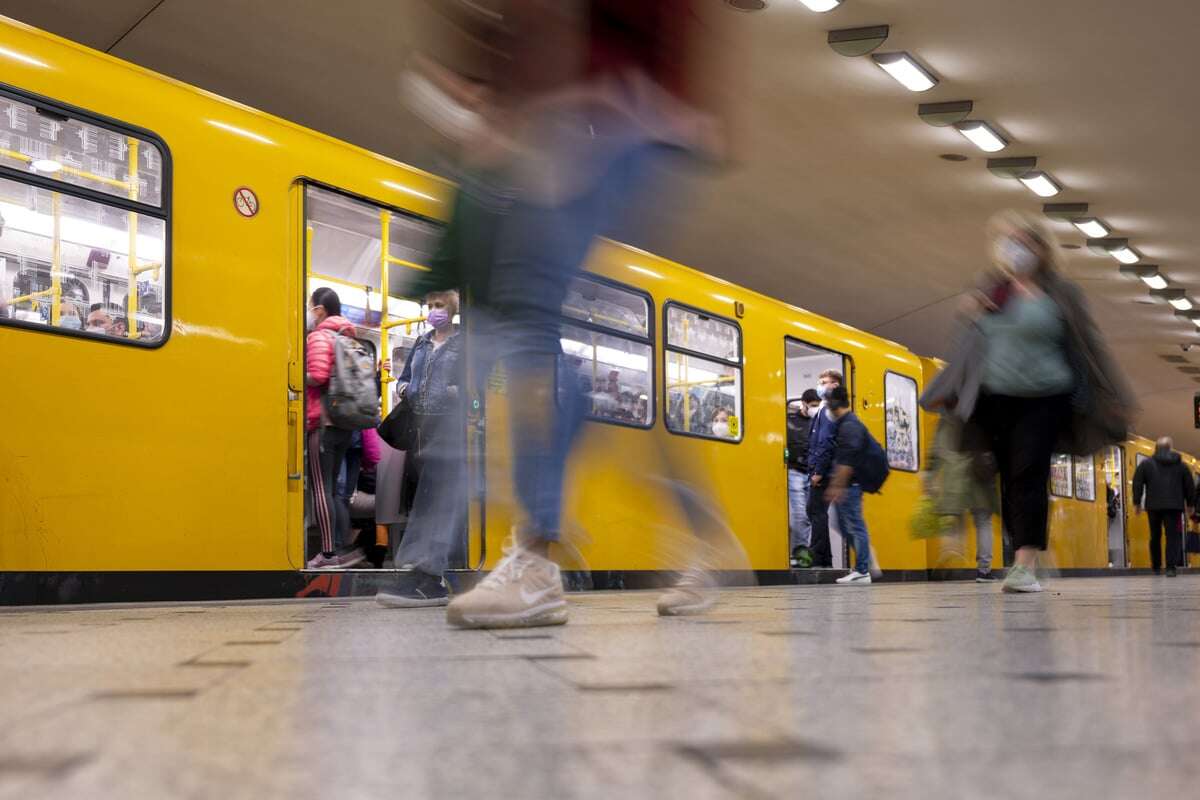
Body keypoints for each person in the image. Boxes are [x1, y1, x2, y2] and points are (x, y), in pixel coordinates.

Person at [410, 0, 736, 628]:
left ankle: (536, 559)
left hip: (609, 119)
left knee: (528, 308)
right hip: (588, 119)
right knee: (551, 353)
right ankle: (693, 533)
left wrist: (532, 106)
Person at [921, 209, 1134, 594]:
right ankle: (1026, 548)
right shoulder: (991, 290)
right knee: (1005, 476)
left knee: (1029, 474)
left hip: (1045, 396)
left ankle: (1023, 564)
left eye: (1022, 241)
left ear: (1040, 247)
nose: (1014, 248)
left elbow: (1090, 344)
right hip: (994, 398)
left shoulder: (1062, 294)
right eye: (1008, 241)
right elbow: (967, 347)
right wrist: (969, 316)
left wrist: (1115, 394)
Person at [376, 290, 467, 606]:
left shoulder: (465, 344)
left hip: (449, 428)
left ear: (453, 309)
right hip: (420, 430)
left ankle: (429, 577)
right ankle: (423, 574)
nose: (433, 311)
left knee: (437, 499)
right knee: (424, 500)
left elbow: (478, 389)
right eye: (430, 306)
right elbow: (405, 378)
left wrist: (461, 393)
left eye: (439, 305)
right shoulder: (422, 342)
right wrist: (404, 388)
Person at [304, 287, 365, 569]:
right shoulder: (349, 337)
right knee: (332, 489)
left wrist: (291, 372)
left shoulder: (319, 336)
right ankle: (341, 548)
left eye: (310, 306)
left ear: (320, 310)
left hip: (323, 424)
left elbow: (316, 376)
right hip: (346, 425)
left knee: (321, 488)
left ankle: (328, 554)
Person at [924, 415, 999, 582]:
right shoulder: (985, 411)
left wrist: (929, 474)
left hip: (954, 475)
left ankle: (951, 550)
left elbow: (936, 449)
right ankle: (984, 570)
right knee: (982, 521)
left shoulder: (948, 416)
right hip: (979, 474)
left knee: (955, 519)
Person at [822, 386, 876, 585]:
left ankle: (863, 569)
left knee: (854, 525)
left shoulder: (850, 426)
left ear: (835, 405)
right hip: (849, 484)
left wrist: (836, 486)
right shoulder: (846, 424)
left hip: (850, 485)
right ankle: (865, 560)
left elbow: (847, 461)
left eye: (828, 404)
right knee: (843, 525)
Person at [1132, 437, 1194, 577]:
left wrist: (1137, 502)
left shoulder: (1146, 464)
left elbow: (1137, 482)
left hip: (1153, 506)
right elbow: (1189, 486)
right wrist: (1190, 504)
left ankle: (1156, 566)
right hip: (1174, 507)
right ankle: (1171, 568)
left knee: (1155, 536)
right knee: (1172, 536)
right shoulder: (1181, 466)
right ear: (1170, 448)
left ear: (1156, 448)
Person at [806, 370, 844, 569]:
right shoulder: (824, 408)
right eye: (820, 381)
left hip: (823, 471)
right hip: (822, 469)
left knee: (816, 512)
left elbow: (826, 442)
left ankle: (818, 559)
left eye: (826, 382)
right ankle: (824, 560)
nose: (821, 385)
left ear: (835, 386)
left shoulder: (830, 408)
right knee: (817, 512)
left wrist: (818, 471)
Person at [787, 389, 822, 568]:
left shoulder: (819, 422)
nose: (815, 409)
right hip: (794, 471)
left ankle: (800, 551)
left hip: (811, 473)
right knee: (800, 514)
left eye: (818, 405)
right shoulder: (789, 420)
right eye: (813, 405)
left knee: (808, 515)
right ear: (804, 403)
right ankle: (799, 553)